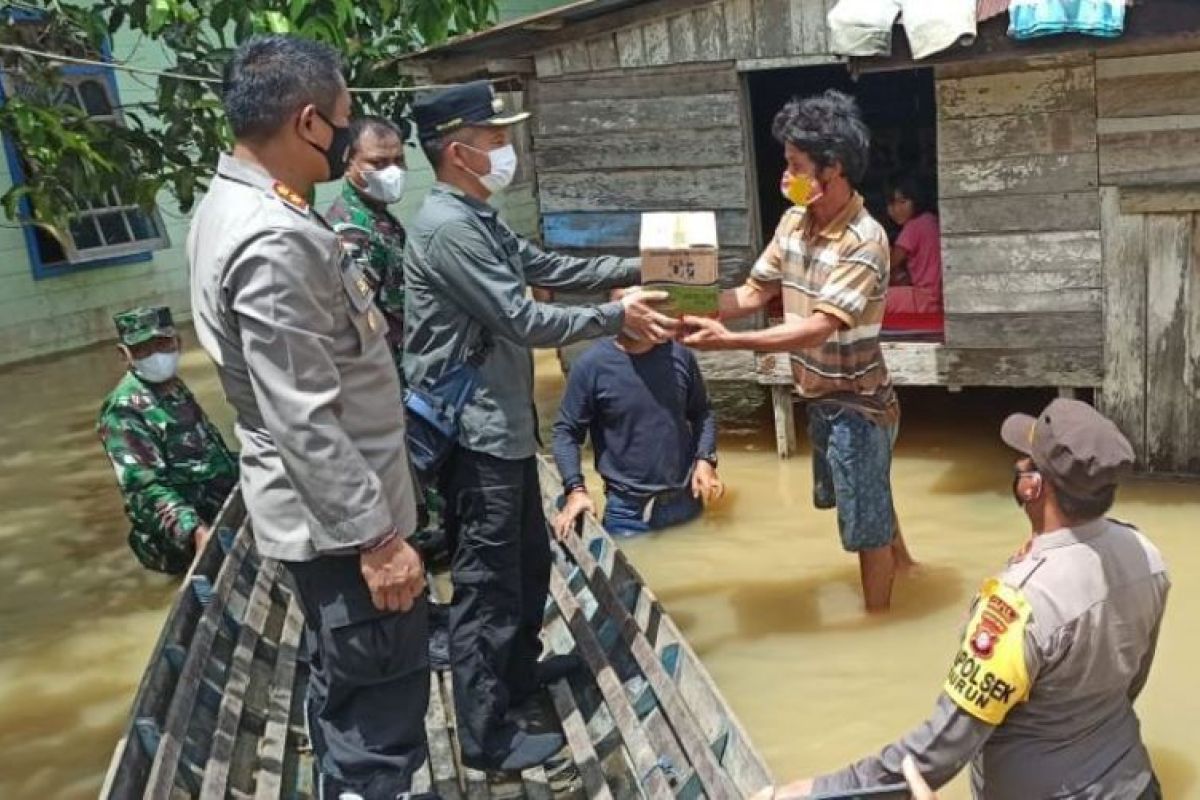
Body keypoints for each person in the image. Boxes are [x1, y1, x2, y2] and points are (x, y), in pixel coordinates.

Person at [404, 80, 676, 772]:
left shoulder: (479, 215)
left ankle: (519, 676)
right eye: (495, 140)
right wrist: (618, 315)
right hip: (473, 434)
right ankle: (488, 737)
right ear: (458, 150)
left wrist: (639, 267)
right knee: (487, 585)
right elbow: (524, 318)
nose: (507, 150)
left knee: (527, 563)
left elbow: (547, 269)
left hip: (505, 426)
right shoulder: (446, 229)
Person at [188, 36, 431, 800]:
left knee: (347, 691)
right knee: (380, 722)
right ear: (306, 124)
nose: (349, 136)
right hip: (343, 527)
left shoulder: (233, 204)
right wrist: (379, 539)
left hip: (323, 515)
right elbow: (304, 418)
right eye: (343, 120)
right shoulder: (273, 240)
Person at [758, 399, 1168, 800]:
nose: (1017, 467)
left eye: (1023, 462)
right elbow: (1130, 684)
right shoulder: (1147, 555)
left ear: (1032, 486)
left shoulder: (1014, 608)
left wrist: (811, 792)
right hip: (1135, 784)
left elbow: (935, 754)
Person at [683, 90, 913, 612]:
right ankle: (909, 566)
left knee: (863, 531)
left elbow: (816, 328)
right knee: (869, 494)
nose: (786, 177)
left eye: (796, 166)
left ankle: (880, 621)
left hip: (860, 404)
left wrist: (731, 341)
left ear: (832, 167)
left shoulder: (865, 239)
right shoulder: (793, 223)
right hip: (821, 396)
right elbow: (751, 293)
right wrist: (682, 305)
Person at [551, 312, 723, 538]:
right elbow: (566, 433)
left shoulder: (679, 356)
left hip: (687, 501)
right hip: (627, 514)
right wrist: (575, 489)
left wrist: (705, 460)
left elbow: (702, 412)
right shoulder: (591, 366)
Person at [96, 305, 238, 575]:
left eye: (162, 344)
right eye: (143, 349)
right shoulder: (124, 410)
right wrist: (194, 532)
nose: (156, 356)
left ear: (177, 342)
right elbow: (145, 489)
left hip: (216, 513)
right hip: (177, 545)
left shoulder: (174, 388)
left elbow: (208, 454)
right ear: (124, 354)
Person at [327, 115, 410, 375]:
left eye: (398, 160)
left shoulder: (378, 217)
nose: (392, 172)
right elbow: (363, 325)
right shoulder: (353, 233)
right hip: (386, 372)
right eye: (378, 163)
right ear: (348, 161)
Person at [882, 173, 943, 331]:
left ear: (916, 200)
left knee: (868, 301)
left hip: (924, 299)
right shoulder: (930, 220)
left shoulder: (913, 227)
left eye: (903, 202)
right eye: (891, 204)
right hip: (936, 298)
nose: (897, 209)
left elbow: (887, 265)